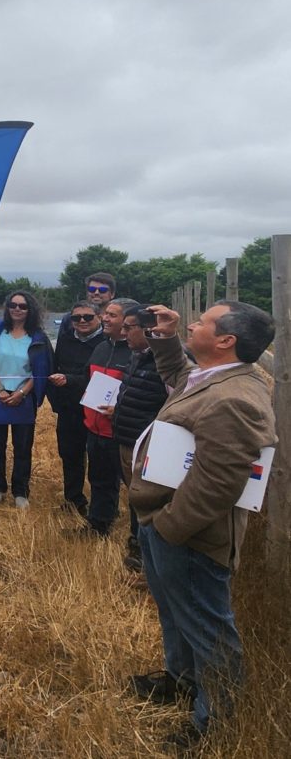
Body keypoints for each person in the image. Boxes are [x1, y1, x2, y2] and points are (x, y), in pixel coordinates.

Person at [128, 302, 275, 750]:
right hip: (165, 521)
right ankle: (181, 680)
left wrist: (169, 526)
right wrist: (167, 337)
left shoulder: (236, 398)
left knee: (208, 629)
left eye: (203, 321)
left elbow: (219, 481)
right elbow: (179, 376)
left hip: (190, 534)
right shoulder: (213, 377)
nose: (192, 322)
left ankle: (215, 723)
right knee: (176, 611)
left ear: (226, 340)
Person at [108, 305, 168, 571]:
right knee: (135, 497)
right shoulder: (137, 356)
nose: (123, 333)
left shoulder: (166, 363)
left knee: (147, 500)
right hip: (126, 440)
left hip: (147, 448)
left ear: (149, 330)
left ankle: (148, 556)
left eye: (128, 328)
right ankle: (137, 543)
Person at [0, 291, 52, 509]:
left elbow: (41, 370)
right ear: (7, 307)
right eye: (13, 305)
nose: (17, 309)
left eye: (23, 306)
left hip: (24, 396)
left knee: (22, 446)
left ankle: (20, 491)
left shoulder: (38, 337)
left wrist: (22, 392)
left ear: (30, 310)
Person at [80, 298, 138, 536]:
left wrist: (120, 410)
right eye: (105, 313)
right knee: (99, 479)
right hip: (95, 429)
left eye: (112, 315)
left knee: (135, 488)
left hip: (121, 432)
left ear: (128, 321)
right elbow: (87, 380)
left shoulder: (137, 353)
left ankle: (137, 540)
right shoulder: (101, 347)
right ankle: (98, 525)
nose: (104, 318)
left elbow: (145, 394)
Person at [47, 301, 107, 516]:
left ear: (99, 317)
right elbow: (55, 367)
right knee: (70, 456)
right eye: (76, 318)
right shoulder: (65, 339)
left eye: (88, 317)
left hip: (97, 410)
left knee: (100, 461)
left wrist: (69, 380)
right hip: (68, 409)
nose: (82, 321)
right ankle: (73, 500)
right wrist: (56, 401)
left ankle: (102, 508)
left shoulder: (107, 343)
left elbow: (101, 377)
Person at [57, 271, 117, 338]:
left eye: (102, 290)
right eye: (92, 289)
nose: (96, 293)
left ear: (112, 294)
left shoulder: (118, 320)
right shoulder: (70, 318)